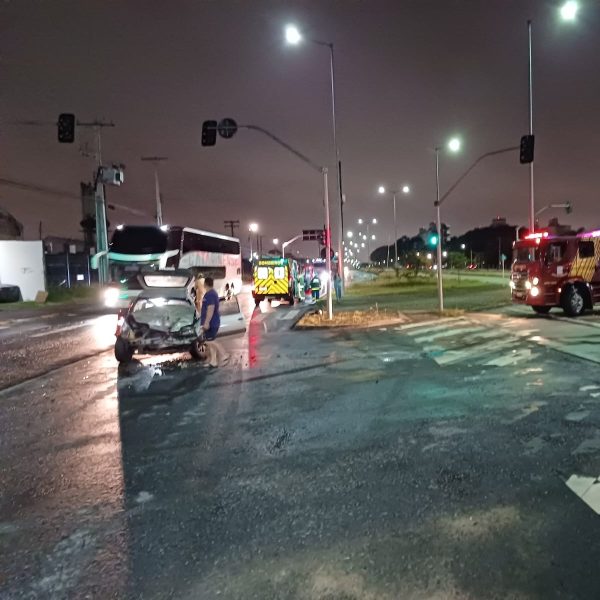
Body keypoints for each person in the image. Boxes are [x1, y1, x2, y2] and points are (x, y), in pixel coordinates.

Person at [200, 277, 228, 368]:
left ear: (205, 284)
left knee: (209, 342)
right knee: (210, 341)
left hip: (211, 323)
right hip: (213, 322)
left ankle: (224, 354)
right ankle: (213, 361)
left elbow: (210, 309)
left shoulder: (210, 295)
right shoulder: (212, 293)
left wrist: (206, 323)